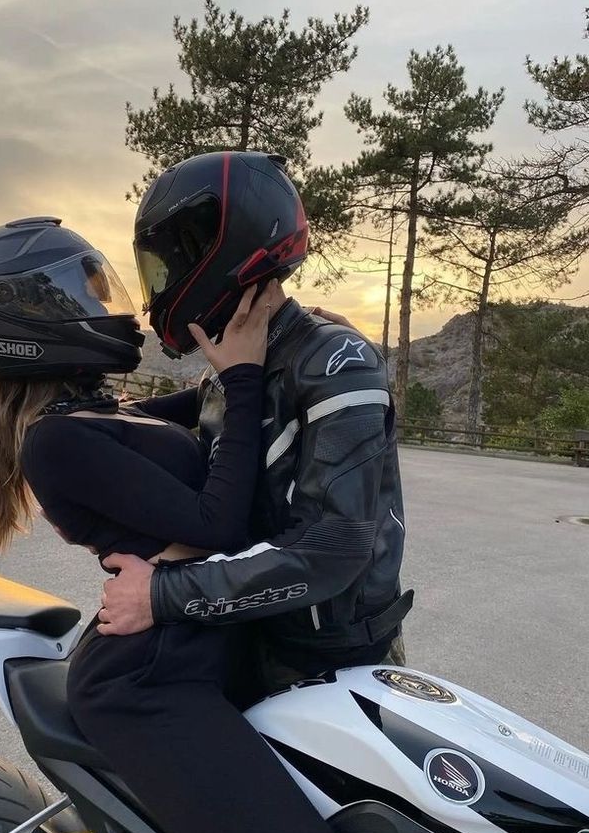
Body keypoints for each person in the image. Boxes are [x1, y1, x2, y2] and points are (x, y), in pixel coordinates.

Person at [0, 216, 369, 833]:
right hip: (149, 679)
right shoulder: (56, 442)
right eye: (88, 291)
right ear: (31, 318)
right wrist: (248, 374)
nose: (113, 306)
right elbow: (213, 522)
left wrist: (291, 333)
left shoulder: (103, 411)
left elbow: (213, 405)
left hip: (197, 641)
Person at [98, 150, 410, 703]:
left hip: (336, 664)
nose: (159, 291)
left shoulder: (338, 361)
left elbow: (335, 547)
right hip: (251, 634)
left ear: (221, 253)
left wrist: (163, 595)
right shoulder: (235, 369)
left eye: (167, 267)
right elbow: (142, 420)